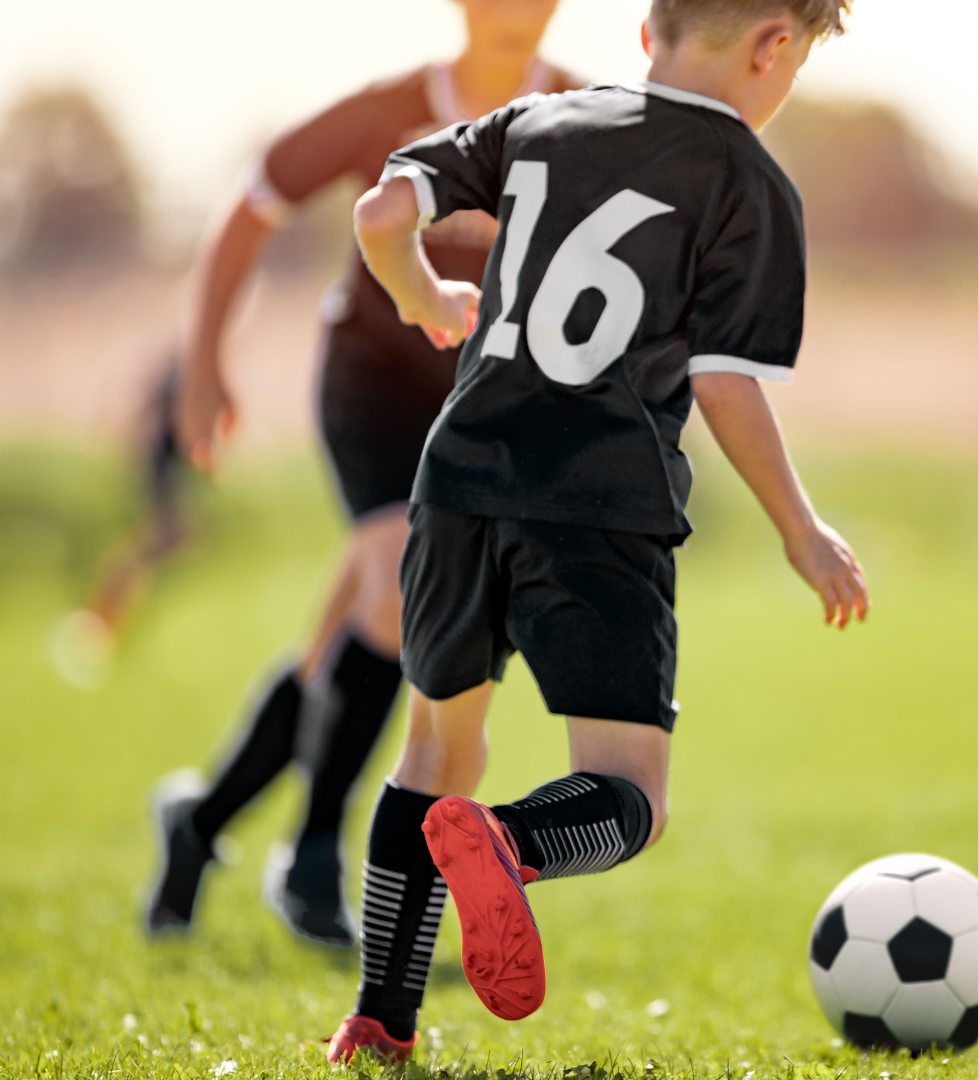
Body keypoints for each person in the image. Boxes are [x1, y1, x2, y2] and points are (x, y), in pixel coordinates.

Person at [325, 0, 868, 1062]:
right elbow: (722, 383)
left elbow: (384, 210)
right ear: (775, 47)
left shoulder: (541, 118)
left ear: (646, 34)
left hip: (458, 481)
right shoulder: (750, 183)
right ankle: (514, 842)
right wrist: (800, 528)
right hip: (597, 502)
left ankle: (380, 1023)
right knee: (630, 793)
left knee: (435, 752)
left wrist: (425, 294)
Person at [144, 0, 579, 947]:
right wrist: (207, 363)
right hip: (372, 385)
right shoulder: (386, 112)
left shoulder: (583, 115)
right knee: (393, 602)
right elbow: (250, 206)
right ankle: (309, 857)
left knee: (343, 642)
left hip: (483, 406)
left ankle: (201, 820)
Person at [51, 355, 194, 690]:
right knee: (148, 551)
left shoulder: (177, 382)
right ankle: (98, 622)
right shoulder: (178, 381)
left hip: (164, 473)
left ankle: (104, 620)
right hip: (161, 476)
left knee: (152, 552)